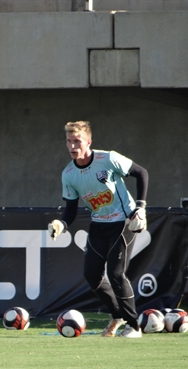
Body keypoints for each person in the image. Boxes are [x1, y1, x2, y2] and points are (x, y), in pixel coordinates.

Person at [48, 121, 149, 338]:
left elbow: (141, 173)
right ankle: (117, 316)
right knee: (91, 275)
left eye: (77, 141)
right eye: (69, 141)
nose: (73, 146)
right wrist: (61, 224)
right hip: (98, 225)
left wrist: (140, 208)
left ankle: (134, 326)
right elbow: (71, 211)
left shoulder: (108, 158)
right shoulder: (68, 174)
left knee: (115, 273)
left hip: (124, 222)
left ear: (88, 142)